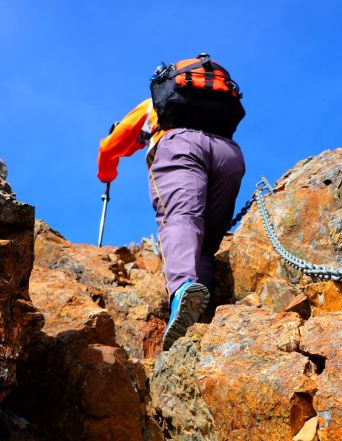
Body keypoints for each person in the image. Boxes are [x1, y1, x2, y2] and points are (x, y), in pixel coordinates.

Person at [97, 54, 246, 350]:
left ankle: (182, 290)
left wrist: (106, 172)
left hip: (181, 146)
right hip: (229, 155)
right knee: (206, 242)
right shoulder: (216, 97)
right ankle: (198, 316)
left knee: (181, 218)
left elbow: (110, 146)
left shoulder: (154, 105)